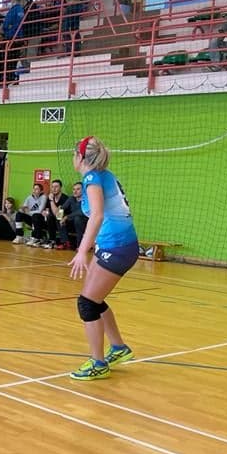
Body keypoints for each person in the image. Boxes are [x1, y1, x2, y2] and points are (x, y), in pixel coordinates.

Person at [67, 136, 139, 381]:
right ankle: (118, 348)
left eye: (74, 154)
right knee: (93, 300)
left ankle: (98, 363)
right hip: (116, 245)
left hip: (117, 247)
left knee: (87, 303)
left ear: (80, 157)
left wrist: (81, 251)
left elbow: (97, 215)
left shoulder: (92, 178)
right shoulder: (102, 175)